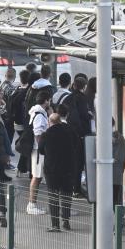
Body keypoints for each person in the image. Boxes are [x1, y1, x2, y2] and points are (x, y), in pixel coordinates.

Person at [39, 112, 80, 232]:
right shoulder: (70, 132)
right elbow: (77, 145)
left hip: (52, 171)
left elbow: (41, 150)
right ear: (60, 121)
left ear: (49, 122)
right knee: (66, 195)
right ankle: (66, 221)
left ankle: (55, 224)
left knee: (53, 196)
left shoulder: (46, 135)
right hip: (68, 169)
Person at [25, 86, 51, 215]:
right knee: (37, 176)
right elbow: (38, 133)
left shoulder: (37, 112)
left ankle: (32, 204)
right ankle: (31, 204)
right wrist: (43, 148)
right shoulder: (40, 115)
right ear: (46, 101)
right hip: (38, 151)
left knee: (38, 176)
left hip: (37, 150)